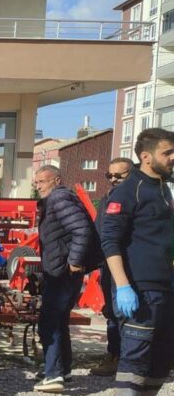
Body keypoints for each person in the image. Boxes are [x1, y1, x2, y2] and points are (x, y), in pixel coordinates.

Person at [98, 128, 174, 396]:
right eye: (167, 152)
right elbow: (110, 241)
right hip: (139, 289)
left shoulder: (164, 189)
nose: (172, 158)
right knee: (137, 358)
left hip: (164, 287)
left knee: (163, 358)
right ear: (146, 156)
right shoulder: (129, 191)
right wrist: (123, 286)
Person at [31, 165, 103, 393]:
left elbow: (82, 229)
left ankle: (53, 375)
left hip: (62, 271)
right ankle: (62, 369)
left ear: (57, 180)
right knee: (59, 320)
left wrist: (74, 260)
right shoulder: (57, 199)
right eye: (36, 182)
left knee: (49, 323)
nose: (38, 186)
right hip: (60, 269)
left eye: (42, 181)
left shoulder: (59, 198)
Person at [89, 157, 133, 377]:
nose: (113, 179)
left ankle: (128, 359)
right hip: (108, 265)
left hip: (129, 266)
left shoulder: (136, 198)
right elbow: (99, 233)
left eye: (119, 175)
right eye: (110, 175)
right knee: (112, 312)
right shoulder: (107, 198)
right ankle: (114, 354)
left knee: (126, 314)